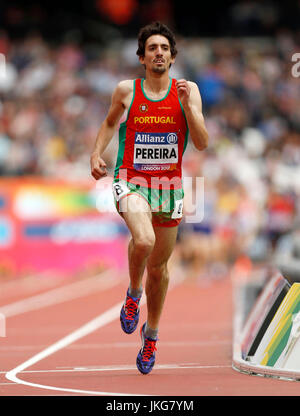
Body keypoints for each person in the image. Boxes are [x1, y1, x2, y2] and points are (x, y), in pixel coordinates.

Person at [90, 21, 208, 374]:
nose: (159, 53)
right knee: (143, 239)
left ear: (173, 57)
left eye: (165, 48)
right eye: (152, 48)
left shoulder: (189, 91)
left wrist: (188, 108)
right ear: (142, 57)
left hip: (169, 187)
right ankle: (132, 294)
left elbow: (201, 142)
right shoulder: (127, 91)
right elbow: (111, 123)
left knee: (159, 269)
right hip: (131, 180)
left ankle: (151, 334)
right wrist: (96, 153)